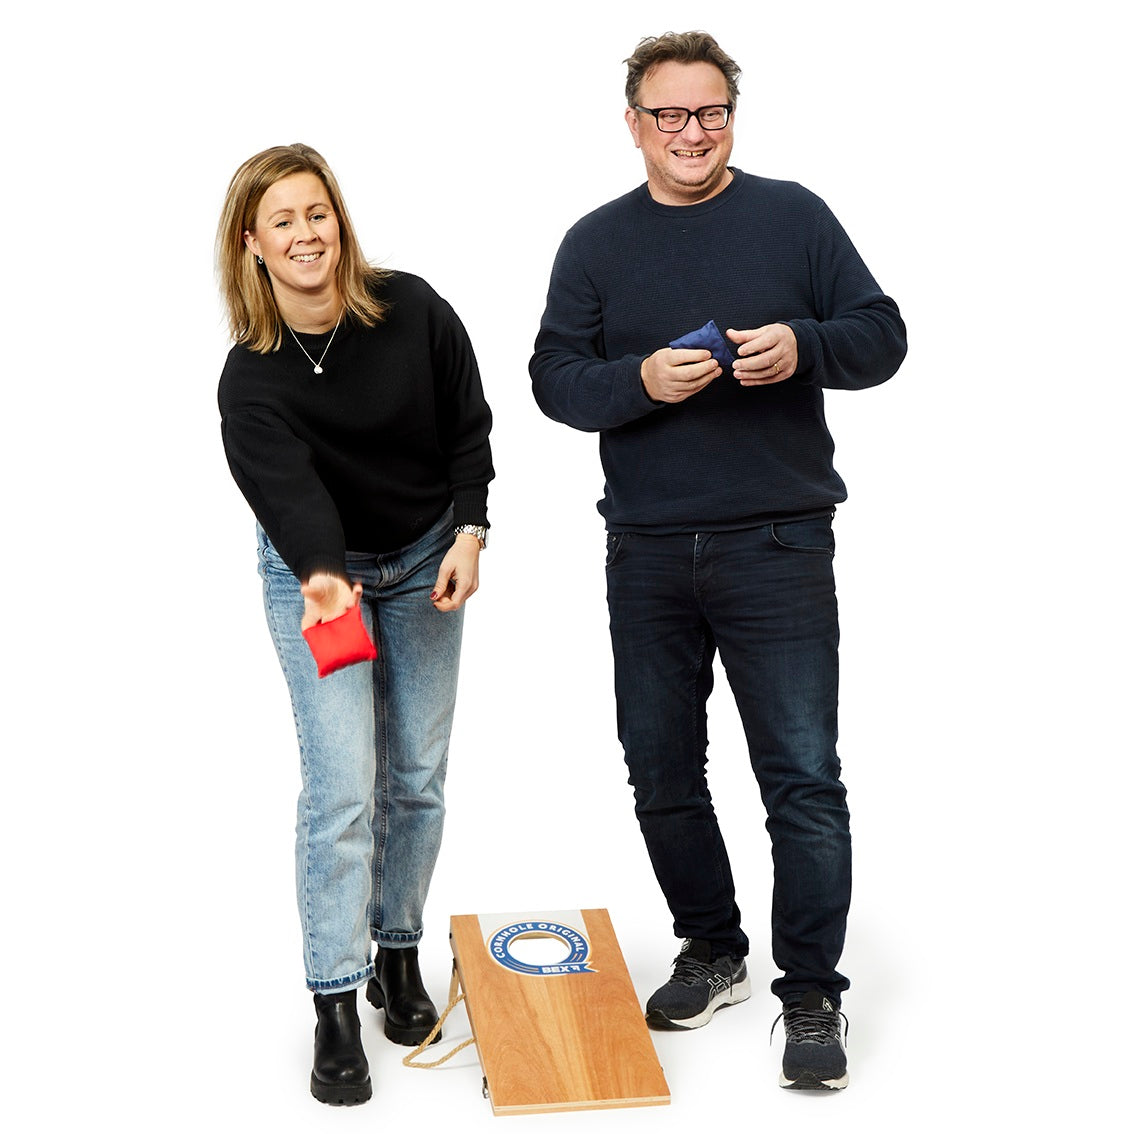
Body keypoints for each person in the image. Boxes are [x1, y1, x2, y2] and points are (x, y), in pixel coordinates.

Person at [530, 32, 906, 1091]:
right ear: (634, 124)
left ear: (732, 117)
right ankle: (713, 947)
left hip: (779, 542)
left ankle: (812, 994)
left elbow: (882, 335)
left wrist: (808, 345)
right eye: (670, 115)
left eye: (710, 113)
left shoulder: (796, 217)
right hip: (646, 547)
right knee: (659, 769)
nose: (691, 133)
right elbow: (553, 378)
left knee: (802, 776)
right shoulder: (595, 242)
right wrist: (641, 381)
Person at [216, 143, 493, 1106]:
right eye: (282, 220)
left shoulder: (411, 309)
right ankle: (335, 999)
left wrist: (471, 531)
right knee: (341, 792)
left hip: (424, 560)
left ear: (339, 219)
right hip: (320, 578)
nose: (306, 234)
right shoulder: (250, 378)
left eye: (317, 212)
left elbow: (468, 424)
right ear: (251, 243)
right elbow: (289, 496)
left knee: (415, 776)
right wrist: (326, 577)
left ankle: (397, 954)